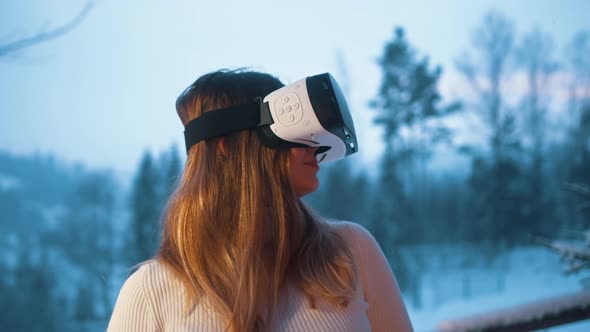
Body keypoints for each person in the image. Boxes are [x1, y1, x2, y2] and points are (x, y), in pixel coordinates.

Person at [107, 69, 413, 332]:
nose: (315, 144)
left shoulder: (351, 251)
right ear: (226, 147)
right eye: (293, 129)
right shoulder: (149, 291)